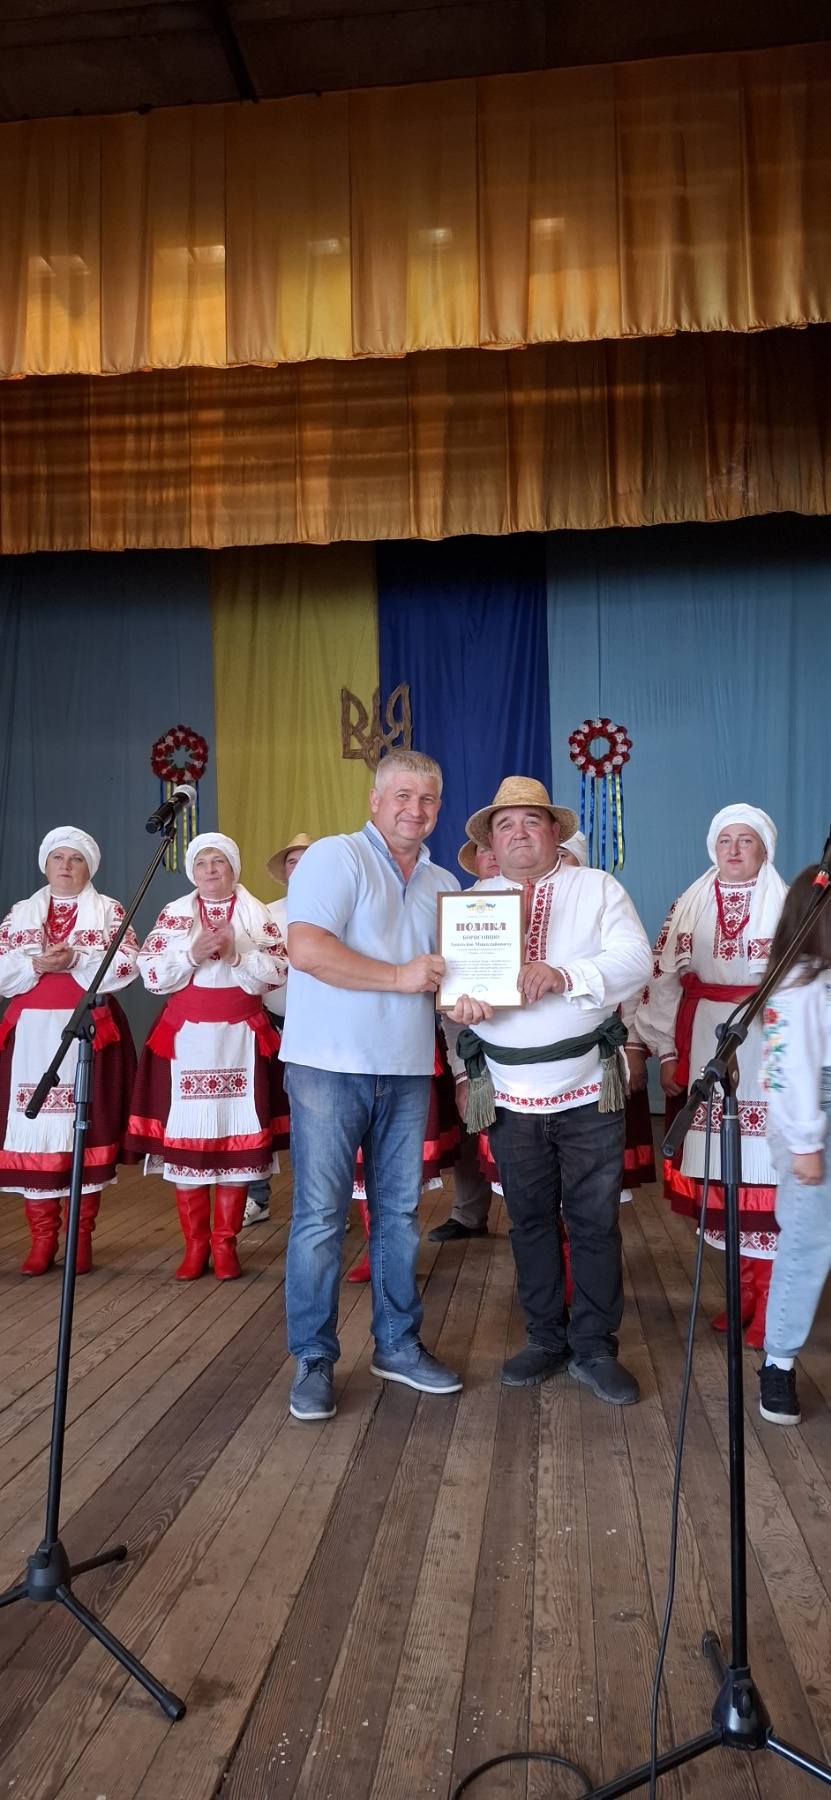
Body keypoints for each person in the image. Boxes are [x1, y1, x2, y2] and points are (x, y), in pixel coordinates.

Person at [281, 748, 474, 1422]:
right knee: (319, 1217)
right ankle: (312, 1358)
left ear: (438, 808)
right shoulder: (335, 857)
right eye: (402, 796)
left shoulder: (442, 881)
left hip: (405, 1066)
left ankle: (396, 1344)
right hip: (327, 1064)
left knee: (397, 1214)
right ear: (374, 801)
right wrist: (399, 977)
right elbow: (307, 950)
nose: (414, 810)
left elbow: (449, 981)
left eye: (427, 799)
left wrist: (468, 1002)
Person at [447, 776, 652, 1405]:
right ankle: (544, 1337)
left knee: (593, 1221)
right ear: (491, 843)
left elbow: (636, 961)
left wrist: (565, 973)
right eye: (505, 825)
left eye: (531, 821)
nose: (518, 834)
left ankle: (594, 1346)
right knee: (529, 1220)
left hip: (587, 1086)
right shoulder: (473, 903)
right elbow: (450, 997)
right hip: (509, 1093)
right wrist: (460, 1013)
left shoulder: (597, 888)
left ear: (555, 831)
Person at [632, 805, 788, 1348]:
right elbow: (661, 981)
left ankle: (772, 1304)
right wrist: (667, 1052)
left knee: (763, 1174)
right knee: (722, 1173)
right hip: (704, 1042)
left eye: (746, 840)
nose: (734, 850)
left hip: (767, 1043)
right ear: (712, 848)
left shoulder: (789, 904)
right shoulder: (689, 904)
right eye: (725, 840)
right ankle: (742, 1293)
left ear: (765, 850)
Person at [126, 832, 288, 1281]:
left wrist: (237, 955)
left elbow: (279, 971)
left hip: (240, 1038)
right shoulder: (174, 913)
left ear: (234, 869)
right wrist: (189, 954)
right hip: (188, 1040)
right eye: (202, 863)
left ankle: (225, 1243)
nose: (211, 870)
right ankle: (196, 1245)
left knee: (236, 1135)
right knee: (190, 1137)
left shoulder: (256, 914)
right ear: (192, 872)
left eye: (219, 861)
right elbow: (151, 973)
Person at [0, 827, 138, 1275]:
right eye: (57, 858)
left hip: (86, 1030)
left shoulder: (110, 911)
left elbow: (128, 964)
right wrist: (34, 963)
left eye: (75, 859)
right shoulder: (20, 913)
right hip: (32, 1035)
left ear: (88, 868)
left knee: (83, 1129)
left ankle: (80, 1239)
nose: (65, 866)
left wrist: (76, 959)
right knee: (36, 1127)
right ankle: (42, 1239)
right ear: (45, 865)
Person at [758, 868, 831, 1426]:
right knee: (807, 1244)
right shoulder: (800, 984)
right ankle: (778, 1362)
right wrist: (806, 1142)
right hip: (816, 1125)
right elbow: (787, 1072)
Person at [427, 835, 503, 1245]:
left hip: (535, 1045)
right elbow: (449, 998)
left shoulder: (542, 899)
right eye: (483, 849)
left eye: (495, 846)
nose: (492, 856)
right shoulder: (456, 910)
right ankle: (468, 1213)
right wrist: (461, 1071)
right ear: (474, 859)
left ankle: (540, 1225)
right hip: (473, 1040)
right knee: (472, 1123)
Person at [242, 832, 314, 1228]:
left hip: (321, 1031)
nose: (300, 868)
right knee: (261, 1110)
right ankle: (258, 1196)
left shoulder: (340, 911)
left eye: (308, 860)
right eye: (292, 861)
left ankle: (321, 1201)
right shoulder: (265, 914)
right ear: (284, 872)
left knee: (316, 1120)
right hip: (272, 1025)